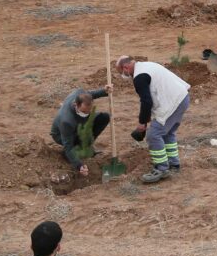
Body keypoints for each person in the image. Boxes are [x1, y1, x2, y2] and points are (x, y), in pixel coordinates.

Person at [115, 56, 191, 184]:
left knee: (153, 134)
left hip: (172, 103)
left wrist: (142, 123)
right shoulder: (148, 65)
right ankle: (174, 164)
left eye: (123, 73)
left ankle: (161, 168)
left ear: (126, 68)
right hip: (182, 97)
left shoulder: (139, 77)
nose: (126, 76)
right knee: (167, 133)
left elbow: (146, 101)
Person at [50, 85, 112, 176]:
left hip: (78, 123)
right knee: (76, 141)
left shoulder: (79, 93)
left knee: (104, 117)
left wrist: (104, 91)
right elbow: (68, 146)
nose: (86, 114)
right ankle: (70, 154)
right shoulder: (67, 121)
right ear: (76, 104)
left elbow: (90, 94)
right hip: (61, 134)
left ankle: (85, 146)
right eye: (84, 111)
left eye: (89, 111)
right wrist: (79, 165)